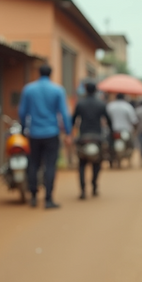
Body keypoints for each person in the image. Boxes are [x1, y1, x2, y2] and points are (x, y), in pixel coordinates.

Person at [18, 64, 72, 209]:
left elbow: (22, 112)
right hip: (51, 133)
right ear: (51, 74)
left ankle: (34, 197)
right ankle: (48, 199)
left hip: (34, 133)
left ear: (38, 73)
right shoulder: (57, 90)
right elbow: (64, 114)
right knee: (50, 166)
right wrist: (68, 132)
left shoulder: (28, 89)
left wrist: (24, 129)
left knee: (33, 164)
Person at [71, 81, 111, 199]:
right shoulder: (101, 104)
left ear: (86, 90)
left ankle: (83, 190)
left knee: (82, 164)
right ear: (95, 90)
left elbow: (73, 120)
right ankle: (94, 185)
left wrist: (70, 133)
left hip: (83, 137)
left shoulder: (80, 104)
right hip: (97, 137)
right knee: (98, 163)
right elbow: (108, 120)